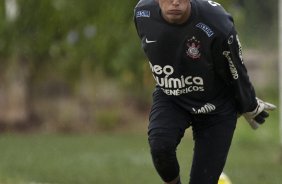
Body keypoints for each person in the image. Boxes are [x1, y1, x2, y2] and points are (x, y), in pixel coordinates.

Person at [133, 0, 276, 184]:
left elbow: (235, 68)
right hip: (172, 96)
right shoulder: (142, 13)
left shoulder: (217, 22)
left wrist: (248, 103)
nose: (175, 2)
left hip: (217, 107)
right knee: (160, 147)